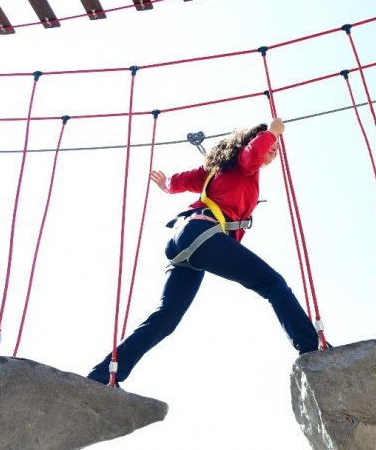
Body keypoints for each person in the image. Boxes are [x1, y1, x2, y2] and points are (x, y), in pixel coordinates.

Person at [87, 117, 322, 387]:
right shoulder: (245, 165)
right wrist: (272, 131)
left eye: (276, 146)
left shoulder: (212, 169)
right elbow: (252, 154)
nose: (274, 148)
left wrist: (166, 185)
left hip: (184, 238)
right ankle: (310, 348)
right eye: (271, 144)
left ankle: (102, 375)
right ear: (248, 143)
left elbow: (180, 182)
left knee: (167, 318)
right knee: (272, 283)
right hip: (203, 234)